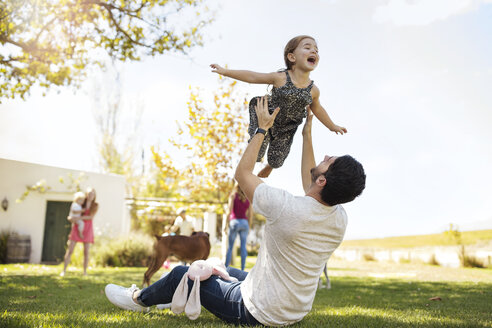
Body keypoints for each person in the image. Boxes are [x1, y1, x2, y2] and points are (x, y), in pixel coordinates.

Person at [104, 97, 365, 326]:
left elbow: (242, 174)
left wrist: (262, 128)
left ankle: (138, 299)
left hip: (255, 312)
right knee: (222, 268)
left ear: (322, 182)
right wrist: (307, 134)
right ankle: (174, 294)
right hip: (293, 311)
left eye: (329, 161)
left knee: (186, 271)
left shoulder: (286, 207)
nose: (327, 156)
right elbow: (313, 185)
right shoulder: (339, 218)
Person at [210, 35, 347, 178]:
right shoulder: (280, 77)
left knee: (277, 161)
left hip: (287, 127)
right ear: (292, 57)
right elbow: (253, 77)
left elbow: (317, 108)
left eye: (316, 50)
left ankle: (270, 166)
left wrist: (331, 126)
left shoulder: (313, 90)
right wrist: (225, 71)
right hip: (266, 115)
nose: (314, 51)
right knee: (257, 153)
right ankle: (252, 156)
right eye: (307, 47)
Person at [61, 187, 98, 277]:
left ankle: (84, 272)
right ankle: (64, 271)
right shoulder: (81, 202)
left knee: (86, 252)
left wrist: (78, 218)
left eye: (92, 194)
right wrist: (71, 218)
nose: (90, 196)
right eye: (89, 194)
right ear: (86, 194)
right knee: (70, 250)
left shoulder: (95, 205)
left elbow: (90, 217)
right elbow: (71, 214)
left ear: (94, 195)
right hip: (77, 227)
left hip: (88, 228)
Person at [224, 184, 252, 271]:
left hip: (234, 222)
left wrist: (226, 225)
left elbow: (229, 211)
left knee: (230, 247)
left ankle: (225, 268)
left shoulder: (233, 196)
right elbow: (250, 214)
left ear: (236, 187)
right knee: (243, 246)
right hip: (244, 223)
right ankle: (243, 269)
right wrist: (249, 226)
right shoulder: (248, 198)